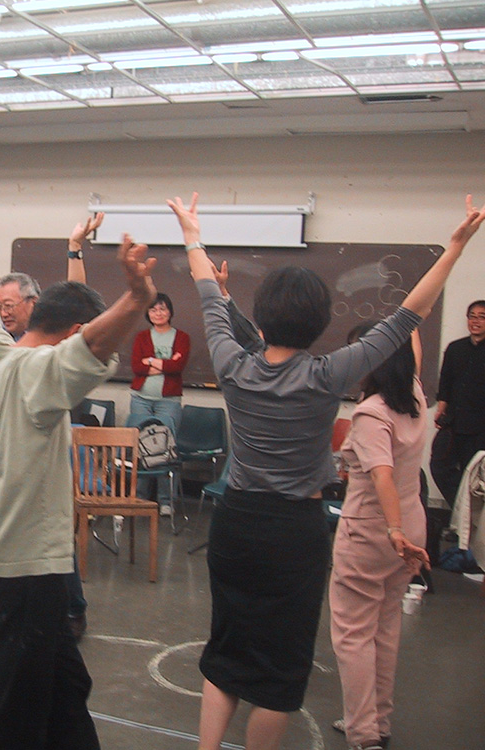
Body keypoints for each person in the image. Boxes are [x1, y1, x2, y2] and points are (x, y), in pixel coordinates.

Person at [165, 191, 484, 750]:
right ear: (318, 322)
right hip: (294, 530)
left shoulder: (233, 364)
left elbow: (208, 293)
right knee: (279, 672)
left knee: (227, 649)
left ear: (263, 318)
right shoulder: (329, 373)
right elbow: (410, 313)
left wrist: (192, 234)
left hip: (235, 521)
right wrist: (454, 248)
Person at [0, 208, 156, 750]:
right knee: (18, 714)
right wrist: (137, 299)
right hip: (28, 572)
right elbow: (91, 343)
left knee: (68, 687)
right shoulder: (39, 375)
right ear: (70, 333)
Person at [329, 332, 430, 750]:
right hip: (410, 523)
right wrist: (410, 319)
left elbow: (382, 475)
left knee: (353, 633)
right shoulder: (414, 394)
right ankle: (378, 722)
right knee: (385, 628)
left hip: (375, 532)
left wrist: (394, 532)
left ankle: (364, 733)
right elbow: (413, 348)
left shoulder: (372, 412)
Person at [127, 292, 190, 515]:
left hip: (168, 402)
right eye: (153, 310)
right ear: (148, 314)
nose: (158, 313)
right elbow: (137, 367)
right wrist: (165, 363)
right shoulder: (142, 337)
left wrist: (151, 362)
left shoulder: (181, 337)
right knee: (140, 448)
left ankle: (166, 501)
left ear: (170, 312)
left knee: (165, 450)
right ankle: (140, 497)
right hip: (141, 399)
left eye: (162, 309)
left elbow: (177, 367)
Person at [433, 300, 485, 505]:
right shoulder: (455, 348)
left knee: (473, 474)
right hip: (454, 421)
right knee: (439, 466)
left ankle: (471, 516)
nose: (476, 321)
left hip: (480, 427)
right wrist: (441, 410)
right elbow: (445, 383)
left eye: (482, 317)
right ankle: (460, 508)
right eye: (472, 316)